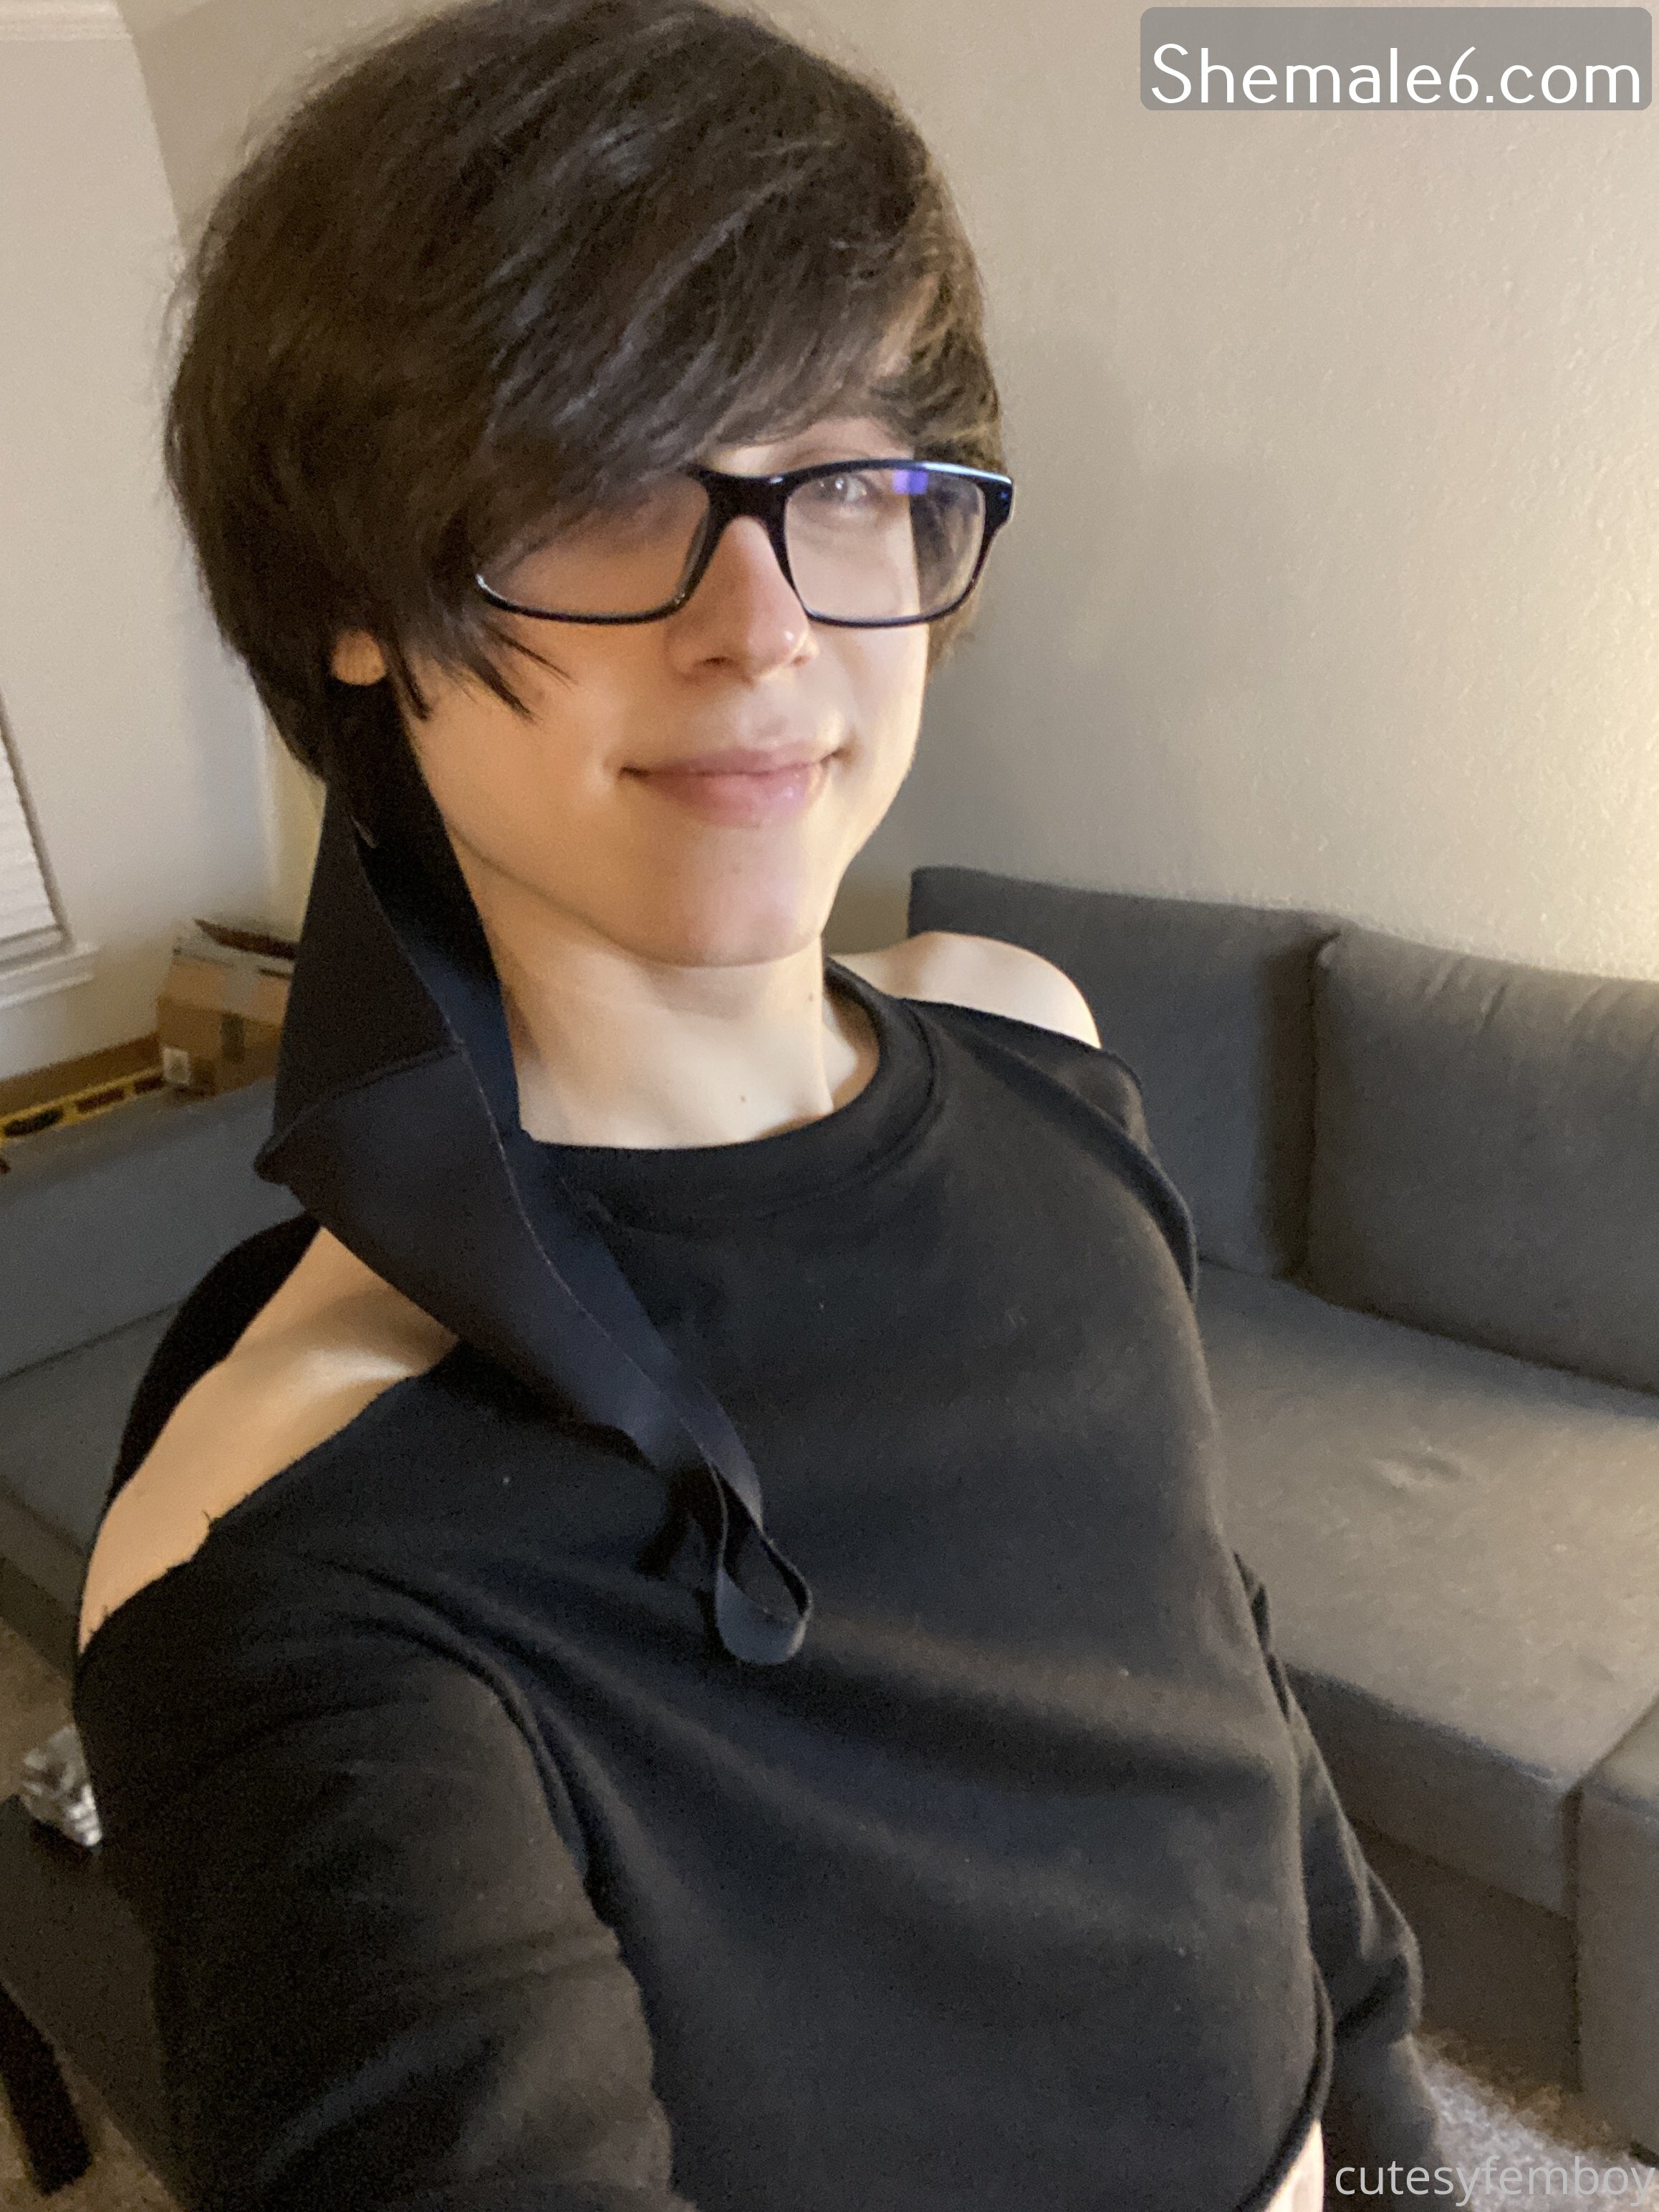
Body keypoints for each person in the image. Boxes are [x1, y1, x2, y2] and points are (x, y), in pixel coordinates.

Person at [71, 1, 1448, 2206]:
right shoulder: (295, 1541)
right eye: (597, 477)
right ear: (352, 601)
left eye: (849, 481)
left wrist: (1386, 2154)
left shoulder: (1042, 1051)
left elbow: (1216, 1690)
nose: (764, 621)